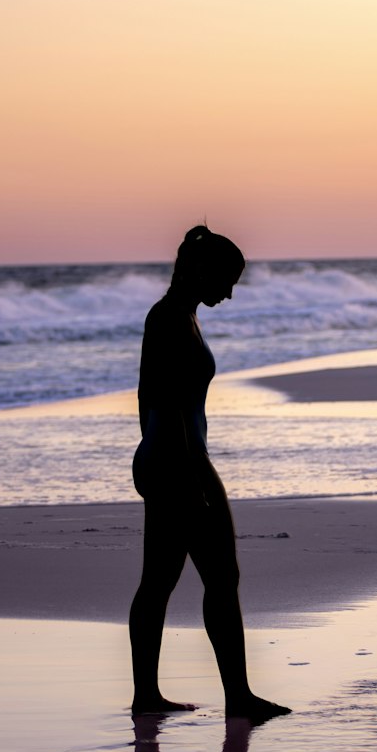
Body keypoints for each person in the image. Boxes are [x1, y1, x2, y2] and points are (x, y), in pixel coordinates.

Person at [129, 226, 290, 722]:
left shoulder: (179, 316)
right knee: (219, 576)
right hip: (179, 461)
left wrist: (151, 457)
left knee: (162, 579)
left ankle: (149, 697)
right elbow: (170, 406)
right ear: (202, 271)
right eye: (228, 279)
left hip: (166, 459)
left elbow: (146, 399)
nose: (230, 291)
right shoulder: (172, 321)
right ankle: (237, 699)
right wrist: (191, 476)